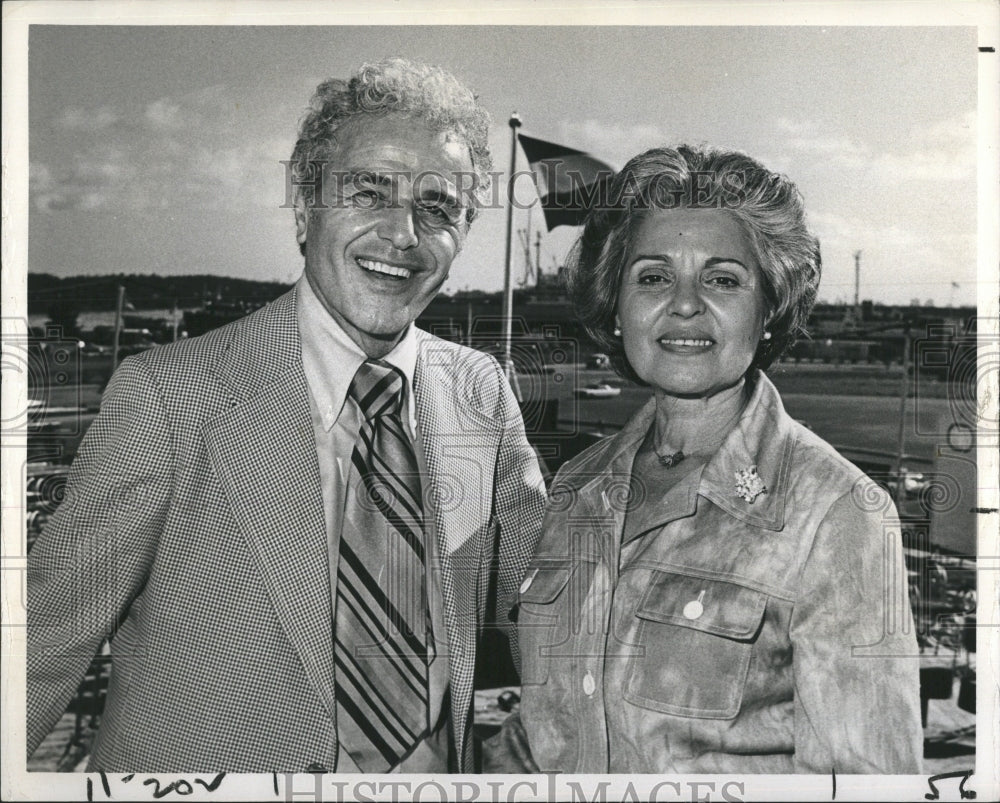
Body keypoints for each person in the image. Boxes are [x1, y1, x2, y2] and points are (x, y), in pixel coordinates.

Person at [27, 58, 546, 773]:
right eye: (369, 191)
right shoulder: (169, 397)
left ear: (462, 235)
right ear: (304, 211)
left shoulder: (480, 393)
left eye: (438, 207)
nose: (403, 233)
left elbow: (543, 609)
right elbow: (38, 649)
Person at [488, 145, 922, 773]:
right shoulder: (578, 485)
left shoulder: (839, 511)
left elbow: (863, 785)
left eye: (722, 279)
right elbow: (542, 737)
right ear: (616, 307)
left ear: (768, 308)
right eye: (652, 277)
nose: (685, 303)